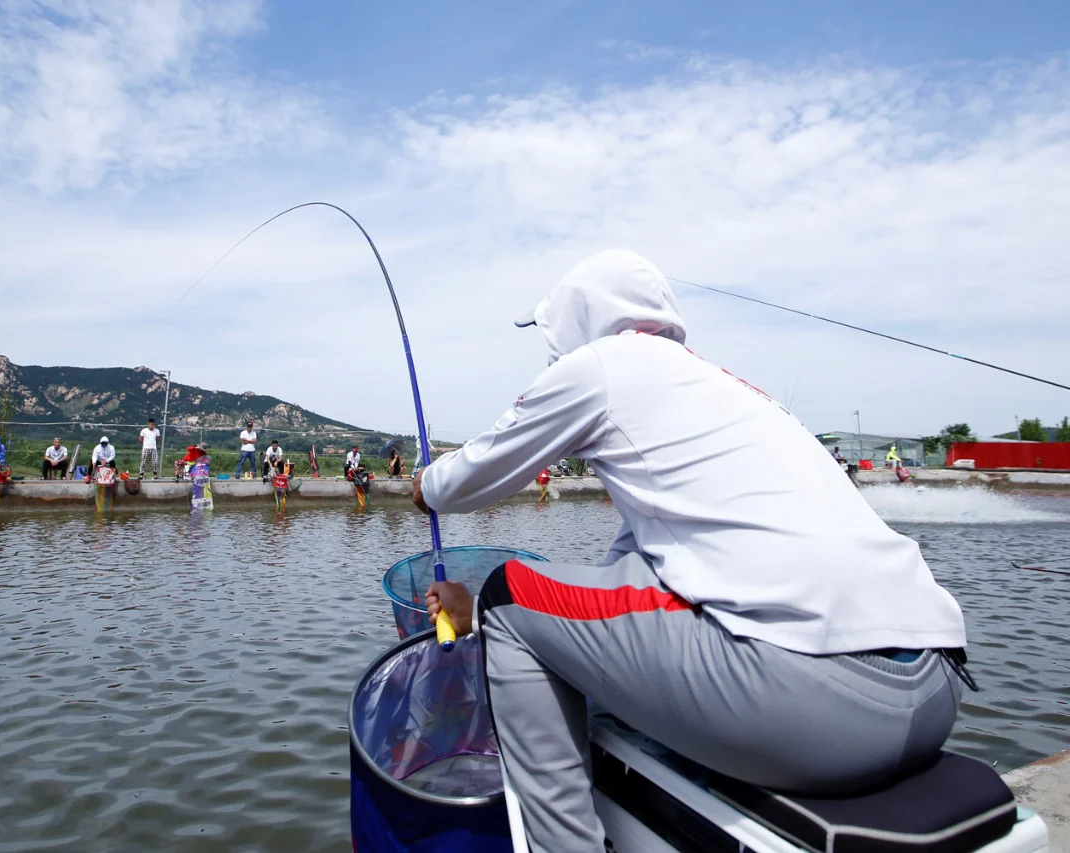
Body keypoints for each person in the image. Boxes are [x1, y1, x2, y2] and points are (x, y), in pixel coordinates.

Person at [413, 249, 968, 853]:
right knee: (570, 599)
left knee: (508, 595)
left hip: (822, 715)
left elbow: (464, 482)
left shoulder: (602, 365)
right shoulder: (728, 392)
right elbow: (629, 579)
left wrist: (424, 488)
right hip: (934, 694)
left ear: (578, 320)